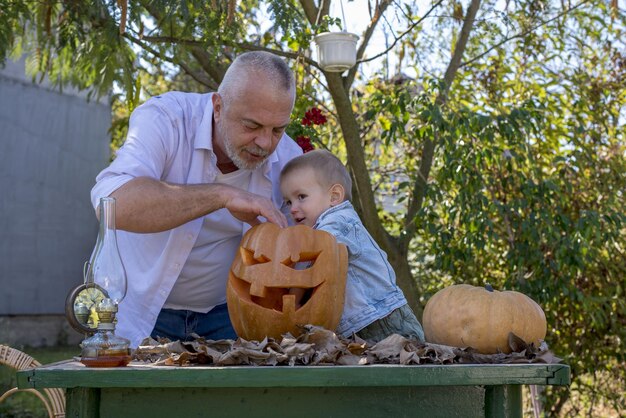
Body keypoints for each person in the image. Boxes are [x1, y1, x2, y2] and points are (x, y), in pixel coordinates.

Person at [90, 51, 302, 348]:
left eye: (277, 129)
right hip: (138, 312)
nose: (265, 143)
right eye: (252, 126)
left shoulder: (290, 160)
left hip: (230, 318)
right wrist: (222, 195)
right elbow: (111, 204)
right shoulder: (166, 119)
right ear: (218, 106)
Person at [279, 149, 425, 343]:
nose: (293, 208)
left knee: (394, 370)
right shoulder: (323, 227)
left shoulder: (338, 220)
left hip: (383, 323)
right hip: (364, 324)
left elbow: (320, 258)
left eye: (301, 197)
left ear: (334, 196)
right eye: (288, 201)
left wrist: (293, 300)